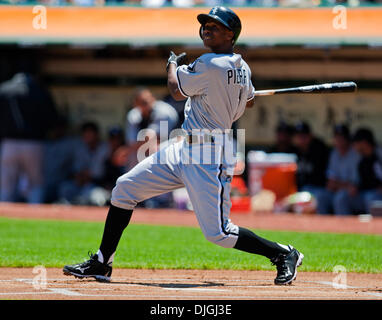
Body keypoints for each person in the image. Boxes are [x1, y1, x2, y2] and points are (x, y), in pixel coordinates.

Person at [63, 6, 304, 286]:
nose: (206, 28)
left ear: (230, 34)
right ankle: (103, 262)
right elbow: (248, 101)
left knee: (219, 233)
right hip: (183, 147)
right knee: (124, 189)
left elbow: (176, 91)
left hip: (208, 155)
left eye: (215, 25)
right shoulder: (243, 67)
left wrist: (172, 66)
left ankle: (283, 253)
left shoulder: (210, 63)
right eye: (205, 25)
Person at [0, 72, 58, 203]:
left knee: (6, 185)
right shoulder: (39, 91)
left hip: (9, 143)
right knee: (36, 182)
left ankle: (3, 214)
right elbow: (52, 118)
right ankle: (35, 212)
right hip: (34, 143)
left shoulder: (4, 89)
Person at [57, 122, 109, 205]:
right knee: (64, 188)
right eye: (86, 134)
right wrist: (80, 176)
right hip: (79, 183)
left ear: (96, 134)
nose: (88, 136)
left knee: (99, 198)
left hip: (96, 184)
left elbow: (98, 173)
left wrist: (86, 175)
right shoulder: (80, 147)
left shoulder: (104, 148)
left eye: (90, 134)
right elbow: (77, 170)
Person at [333, 128, 382, 215]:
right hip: (363, 193)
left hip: (376, 195)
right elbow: (358, 181)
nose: (354, 146)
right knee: (342, 197)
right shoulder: (359, 157)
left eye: (355, 143)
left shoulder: (379, 155)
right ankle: (343, 226)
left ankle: (375, 227)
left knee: (371, 198)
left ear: (364, 143)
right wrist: (354, 187)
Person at [316, 124, 360, 215]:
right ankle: (321, 227)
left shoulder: (356, 154)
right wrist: (343, 185)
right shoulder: (334, 154)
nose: (339, 141)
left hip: (354, 194)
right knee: (320, 196)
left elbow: (354, 186)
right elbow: (330, 183)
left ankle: (344, 228)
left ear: (348, 139)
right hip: (337, 191)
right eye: (337, 138)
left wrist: (339, 185)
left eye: (342, 138)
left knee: (340, 198)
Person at [293, 121, 330, 212]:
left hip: (319, 189)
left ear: (310, 136)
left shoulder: (319, 150)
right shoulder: (294, 151)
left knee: (317, 198)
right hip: (301, 190)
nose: (301, 139)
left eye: (304, 136)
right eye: (299, 136)